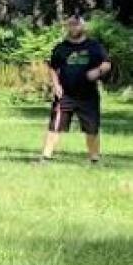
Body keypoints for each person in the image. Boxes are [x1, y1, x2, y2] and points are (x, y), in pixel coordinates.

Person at [40, 12, 111, 164]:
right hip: (65, 94)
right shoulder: (60, 48)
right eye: (70, 24)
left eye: (77, 24)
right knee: (55, 126)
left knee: (92, 129)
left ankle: (94, 160)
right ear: (67, 27)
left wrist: (97, 71)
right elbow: (53, 68)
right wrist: (56, 85)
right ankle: (45, 158)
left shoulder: (94, 47)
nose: (73, 27)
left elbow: (107, 64)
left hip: (88, 96)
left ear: (83, 27)